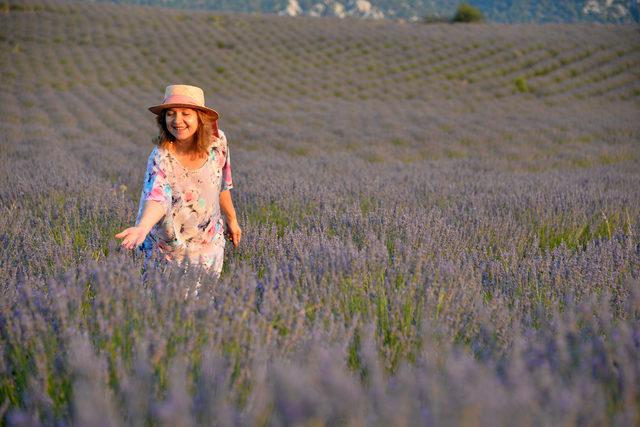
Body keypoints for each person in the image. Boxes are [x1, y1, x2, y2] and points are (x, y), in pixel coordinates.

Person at [116, 84, 241, 278]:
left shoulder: (218, 143)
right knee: (166, 306)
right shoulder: (162, 156)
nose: (177, 120)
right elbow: (157, 197)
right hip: (166, 251)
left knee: (202, 306)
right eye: (171, 113)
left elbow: (222, 184)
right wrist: (142, 227)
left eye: (186, 113)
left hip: (208, 246)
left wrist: (232, 220)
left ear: (200, 117)